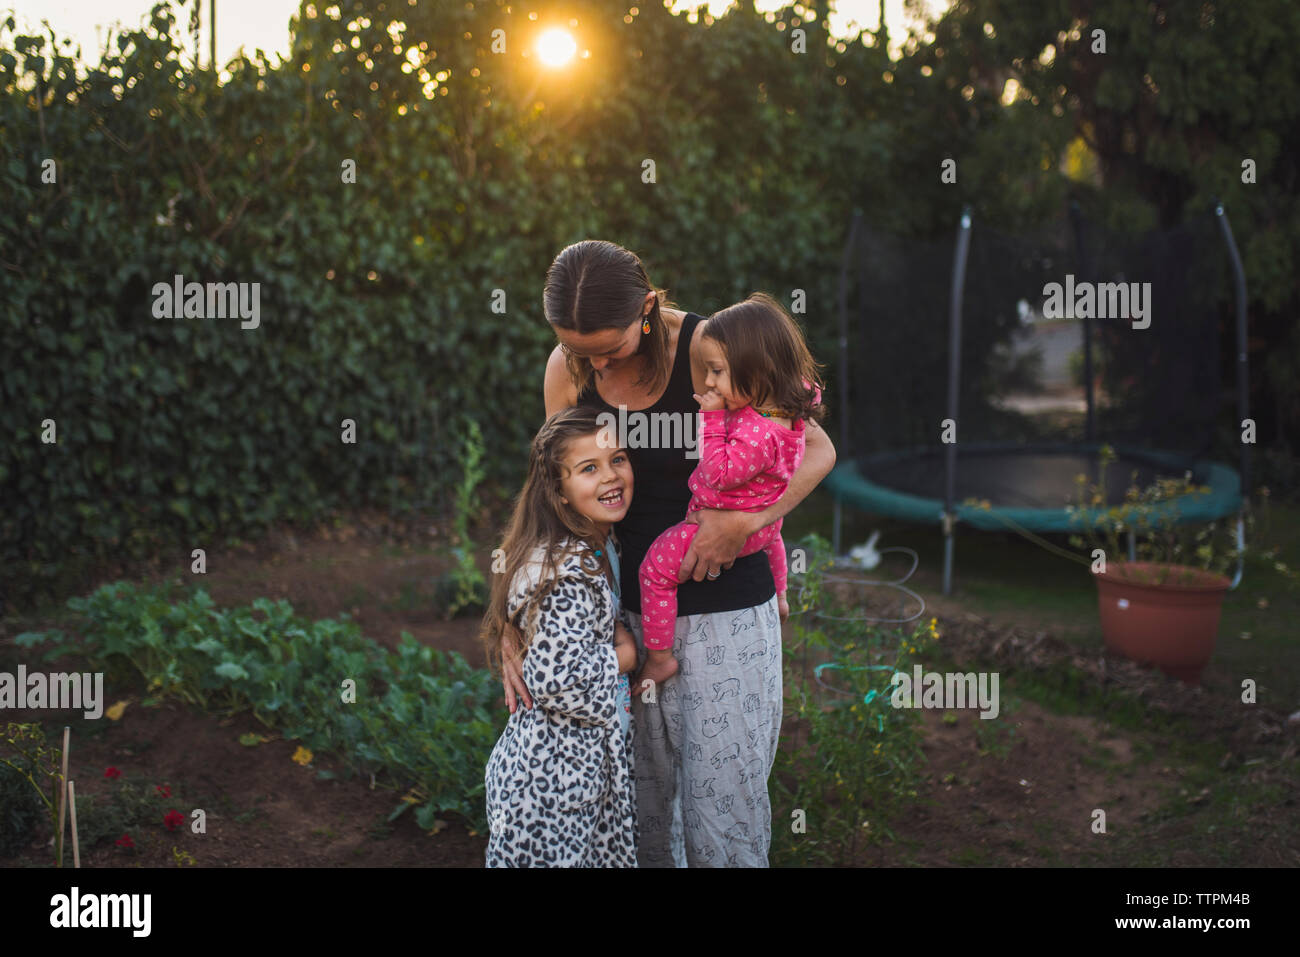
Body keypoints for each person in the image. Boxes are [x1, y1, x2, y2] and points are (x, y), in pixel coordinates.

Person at [502, 240, 836, 868]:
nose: (596, 364)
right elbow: (557, 501)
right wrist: (517, 621)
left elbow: (815, 448)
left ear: (648, 309)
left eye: (611, 347)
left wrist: (748, 522)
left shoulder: (714, 349)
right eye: (581, 351)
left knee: (725, 821)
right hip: (624, 625)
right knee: (644, 824)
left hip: (726, 617)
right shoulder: (566, 370)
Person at [635, 293, 826, 691]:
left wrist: (710, 418)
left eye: (718, 372)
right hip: (766, 527)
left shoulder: (757, 434)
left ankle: (659, 658)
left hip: (722, 522)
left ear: (758, 371)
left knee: (653, 570)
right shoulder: (787, 406)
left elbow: (720, 472)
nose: (709, 382)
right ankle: (781, 597)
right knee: (774, 540)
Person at [481, 406, 639, 867]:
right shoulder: (565, 574)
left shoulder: (601, 543)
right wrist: (625, 656)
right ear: (559, 492)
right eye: (589, 468)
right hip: (549, 785)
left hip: (578, 776)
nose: (610, 476)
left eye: (619, 459)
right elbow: (557, 680)